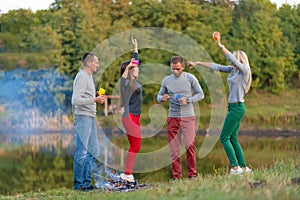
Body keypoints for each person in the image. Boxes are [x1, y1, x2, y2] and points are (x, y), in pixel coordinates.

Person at [187, 31, 252, 175]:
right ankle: (244, 168)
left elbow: (232, 60)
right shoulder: (233, 71)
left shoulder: (244, 71)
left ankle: (235, 168)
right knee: (233, 138)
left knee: (224, 137)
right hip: (234, 108)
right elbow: (215, 66)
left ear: (239, 59)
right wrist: (198, 63)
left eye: (234, 59)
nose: (232, 61)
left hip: (237, 108)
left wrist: (219, 45)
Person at [157, 55, 204, 180]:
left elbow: (201, 94)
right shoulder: (166, 80)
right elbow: (159, 94)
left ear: (183, 67)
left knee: (190, 146)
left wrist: (188, 100)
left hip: (188, 117)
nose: (175, 71)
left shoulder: (190, 78)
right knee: (174, 150)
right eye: (173, 69)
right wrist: (161, 98)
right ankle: (176, 176)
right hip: (173, 117)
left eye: (178, 69)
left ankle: (192, 175)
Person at [71, 52, 106, 191]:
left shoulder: (89, 77)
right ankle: (78, 185)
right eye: (96, 62)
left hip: (90, 117)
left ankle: (86, 183)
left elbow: (85, 96)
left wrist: (95, 97)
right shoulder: (81, 77)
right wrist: (94, 100)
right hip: (82, 117)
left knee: (94, 151)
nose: (97, 65)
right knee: (81, 152)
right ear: (89, 63)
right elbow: (75, 100)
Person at [119, 37, 141, 183]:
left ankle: (127, 173)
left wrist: (135, 48)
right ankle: (127, 174)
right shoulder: (127, 83)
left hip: (135, 117)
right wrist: (127, 68)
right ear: (130, 70)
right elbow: (122, 79)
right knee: (136, 145)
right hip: (129, 116)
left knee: (135, 145)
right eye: (135, 68)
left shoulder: (134, 81)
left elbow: (136, 62)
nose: (138, 68)